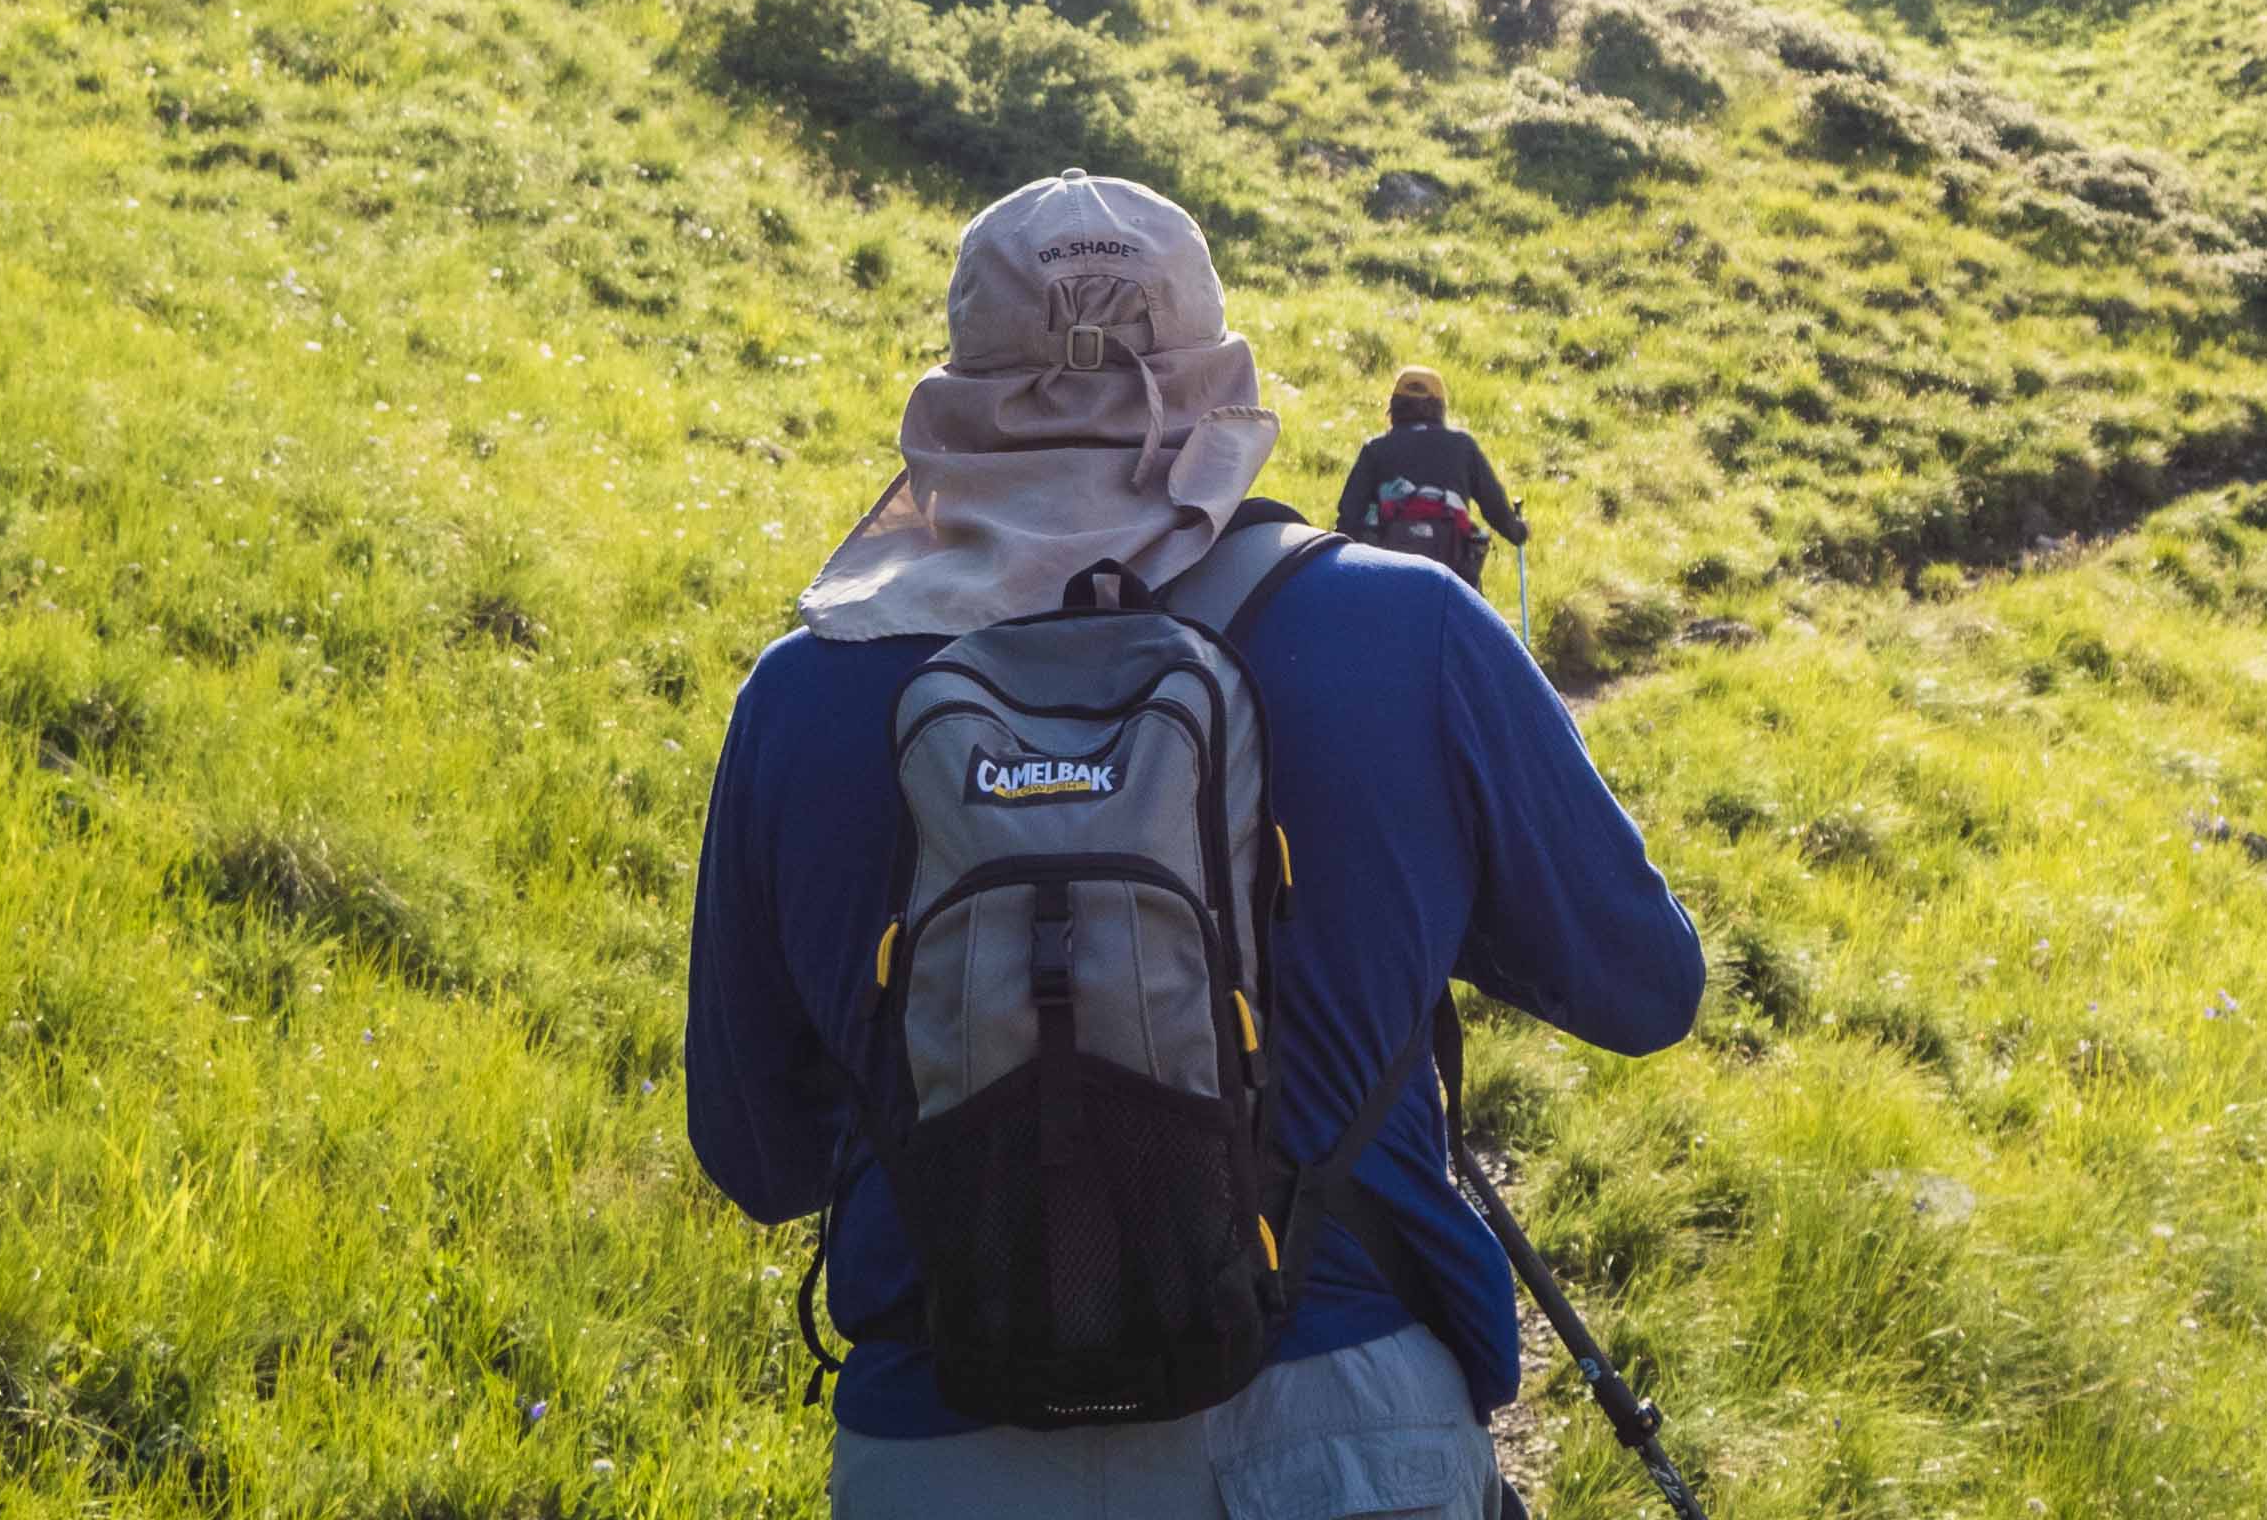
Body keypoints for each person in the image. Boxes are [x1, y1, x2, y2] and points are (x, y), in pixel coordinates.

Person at [687, 170, 1703, 1518]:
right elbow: (1646, 989)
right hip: (1351, 1438)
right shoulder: (1413, 631)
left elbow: (753, 1157)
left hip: (949, 1451)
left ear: (954, 394)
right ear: (1217, 380)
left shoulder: (804, 695)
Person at [1335, 367, 1529, 590]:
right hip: (1454, 576)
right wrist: (1518, 531)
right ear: (1440, 407)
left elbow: (1349, 517)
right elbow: (1495, 508)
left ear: (1394, 408)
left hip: (1388, 577)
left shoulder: (1376, 450)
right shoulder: (1462, 447)